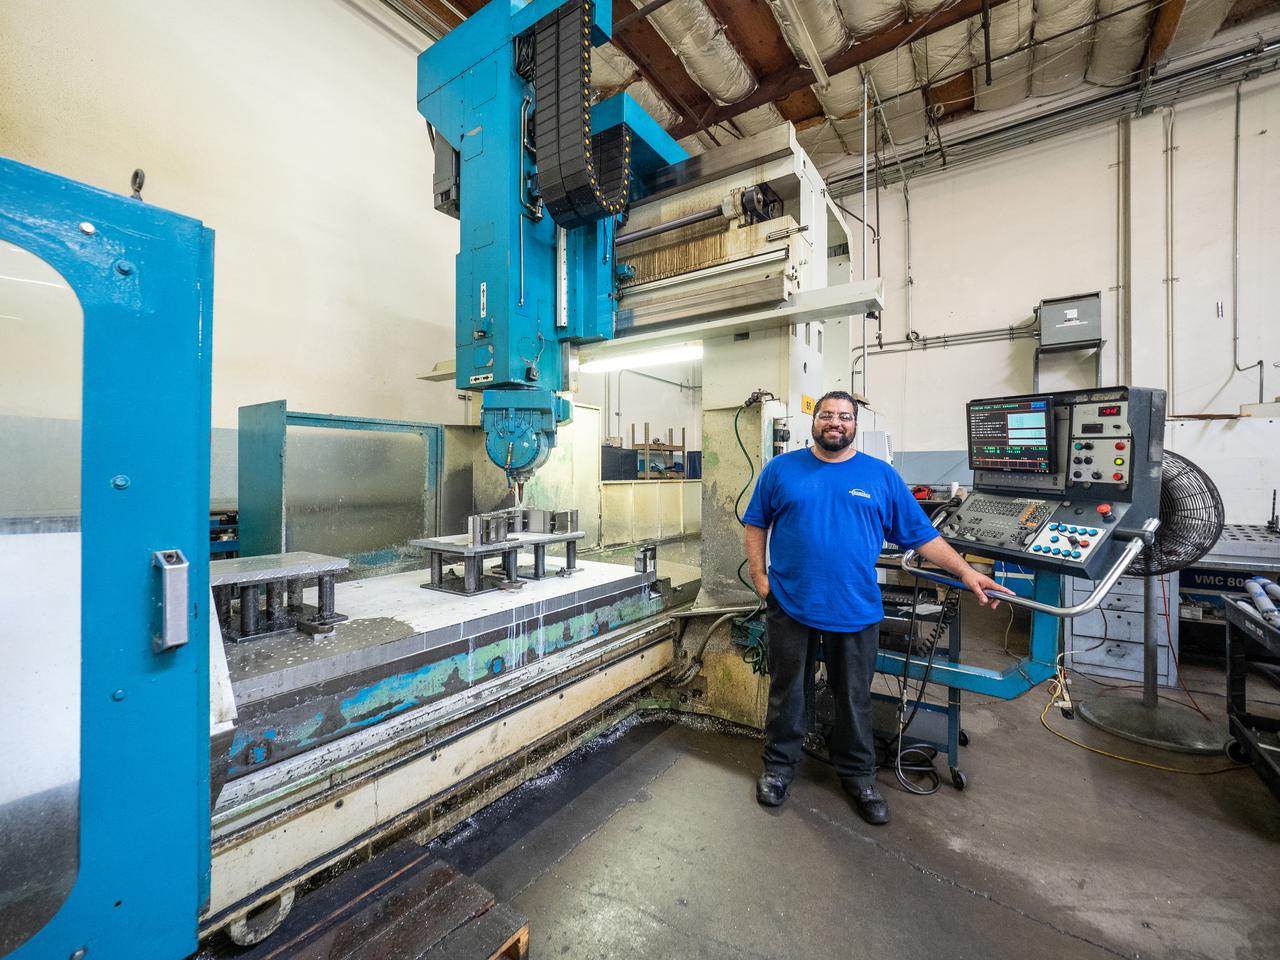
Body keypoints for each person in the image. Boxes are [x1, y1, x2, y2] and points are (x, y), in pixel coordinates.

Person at [742, 390, 1011, 825]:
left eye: (844, 417)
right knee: (788, 691)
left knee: (853, 699)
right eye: (827, 415)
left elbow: (922, 536)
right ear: (815, 421)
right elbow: (756, 523)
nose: (835, 422)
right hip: (791, 602)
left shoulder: (880, 476)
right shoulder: (781, 470)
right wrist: (760, 577)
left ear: (854, 425)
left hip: (855, 607)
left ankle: (858, 775)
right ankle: (778, 767)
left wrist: (966, 572)